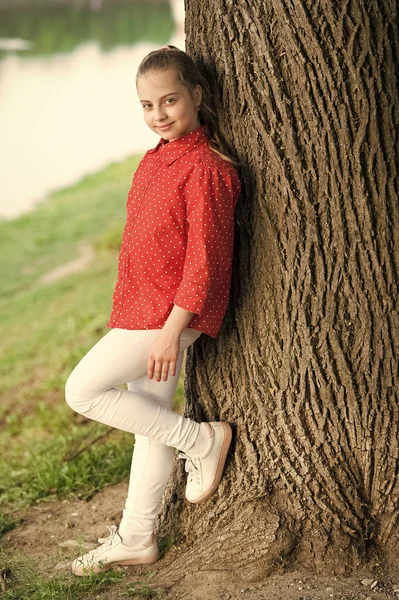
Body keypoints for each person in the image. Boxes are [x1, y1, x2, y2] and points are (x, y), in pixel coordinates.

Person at [65, 44, 241, 576]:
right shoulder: (156, 158)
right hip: (140, 311)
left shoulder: (206, 167)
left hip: (168, 318)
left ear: (197, 95)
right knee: (150, 424)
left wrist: (170, 334)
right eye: (147, 105)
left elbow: (204, 260)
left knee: (82, 390)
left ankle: (202, 439)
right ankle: (138, 537)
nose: (159, 114)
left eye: (170, 100)